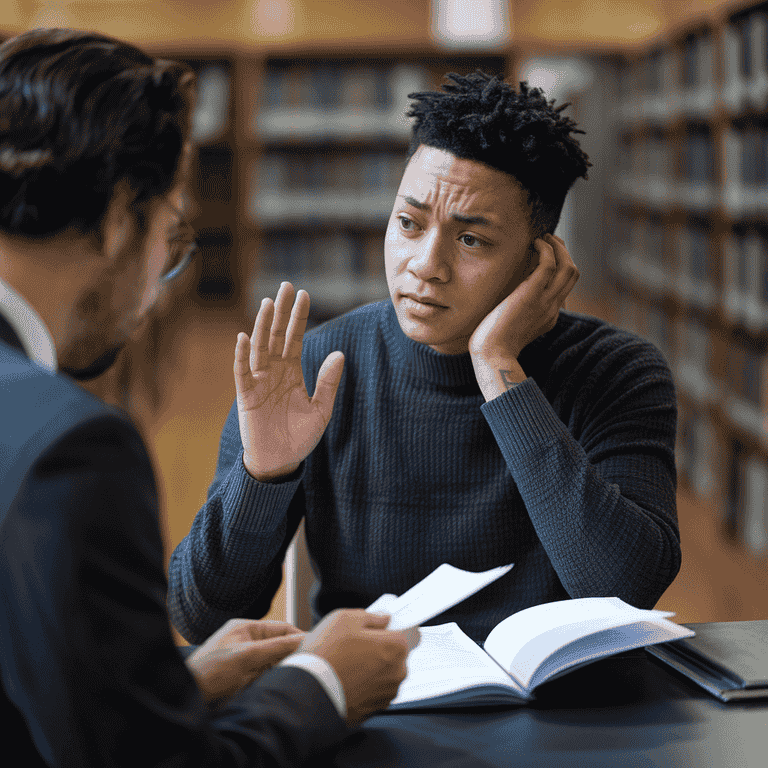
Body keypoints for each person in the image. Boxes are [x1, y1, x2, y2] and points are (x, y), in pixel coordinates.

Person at [0, 28, 415, 768]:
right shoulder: (69, 445)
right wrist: (322, 682)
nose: (162, 281)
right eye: (173, 234)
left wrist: (168, 686)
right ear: (122, 216)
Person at [169, 71, 681, 646]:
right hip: (377, 709)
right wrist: (262, 476)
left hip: (557, 716)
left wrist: (499, 370)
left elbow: (625, 588)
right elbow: (201, 618)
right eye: (409, 224)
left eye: (470, 241)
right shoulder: (314, 370)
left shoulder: (618, 372)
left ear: (539, 262)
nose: (424, 265)